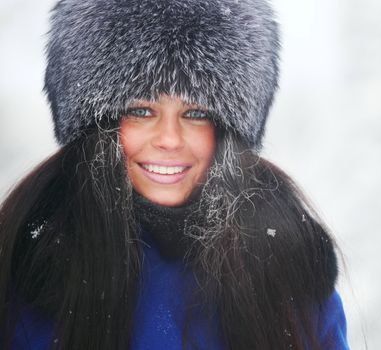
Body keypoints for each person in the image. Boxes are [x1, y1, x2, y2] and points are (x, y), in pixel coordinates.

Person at [0, 0, 349, 349]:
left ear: (227, 131)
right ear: (98, 124)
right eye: (140, 110)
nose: (169, 139)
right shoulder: (27, 266)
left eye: (195, 113)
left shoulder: (288, 267)